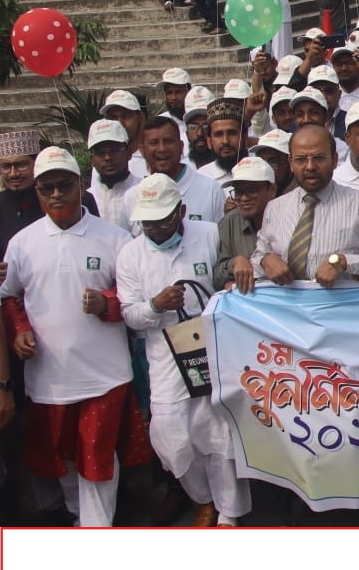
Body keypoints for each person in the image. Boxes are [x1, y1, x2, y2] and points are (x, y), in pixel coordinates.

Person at [0, 148, 149, 526]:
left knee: (97, 457)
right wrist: (19, 332)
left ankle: (96, 530)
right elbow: (11, 297)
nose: (54, 195)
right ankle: (76, 520)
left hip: (105, 374)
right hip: (48, 377)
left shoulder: (115, 239)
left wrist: (107, 303)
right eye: (45, 188)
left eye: (63, 185)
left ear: (81, 186)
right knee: (64, 458)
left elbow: (134, 298)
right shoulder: (21, 243)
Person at [117, 174, 249, 527]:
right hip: (164, 359)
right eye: (148, 221)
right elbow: (129, 315)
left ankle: (228, 514)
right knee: (170, 440)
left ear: (182, 211)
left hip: (213, 352)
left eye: (163, 218)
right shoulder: (130, 254)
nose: (156, 227)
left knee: (219, 435)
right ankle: (202, 498)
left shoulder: (208, 233)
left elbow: (226, 279)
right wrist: (155, 305)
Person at [252, 126, 359, 287]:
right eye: (301, 159)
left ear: (335, 160)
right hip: (287, 308)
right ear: (290, 162)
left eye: (318, 158)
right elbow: (257, 256)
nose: (310, 166)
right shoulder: (275, 209)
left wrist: (343, 262)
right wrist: (264, 260)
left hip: (340, 307)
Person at [123, 117, 227, 231]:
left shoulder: (211, 190)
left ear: (181, 147)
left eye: (168, 141)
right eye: (154, 143)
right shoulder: (132, 197)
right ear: (142, 150)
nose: (162, 149)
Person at [216, 158, 277, 293]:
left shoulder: (288, 217)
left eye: (252, 190)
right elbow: (215, 276)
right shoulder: (229, 222)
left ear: (272, 190)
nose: (243, 198)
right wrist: (234, 263)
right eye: (238, 191)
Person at [86, 120, 141, 233]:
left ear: (129, 153)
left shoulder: (144, 191)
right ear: (91, 159)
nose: (107, 158)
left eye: (114, 150)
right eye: (100, 152)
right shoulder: (86, 199)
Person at [196, 98, 246, 191]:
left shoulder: (260, 169)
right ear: (209, 142)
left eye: (232, 133)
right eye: (218, 134)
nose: (225, 141)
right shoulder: (201, 177)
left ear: (244, 137)